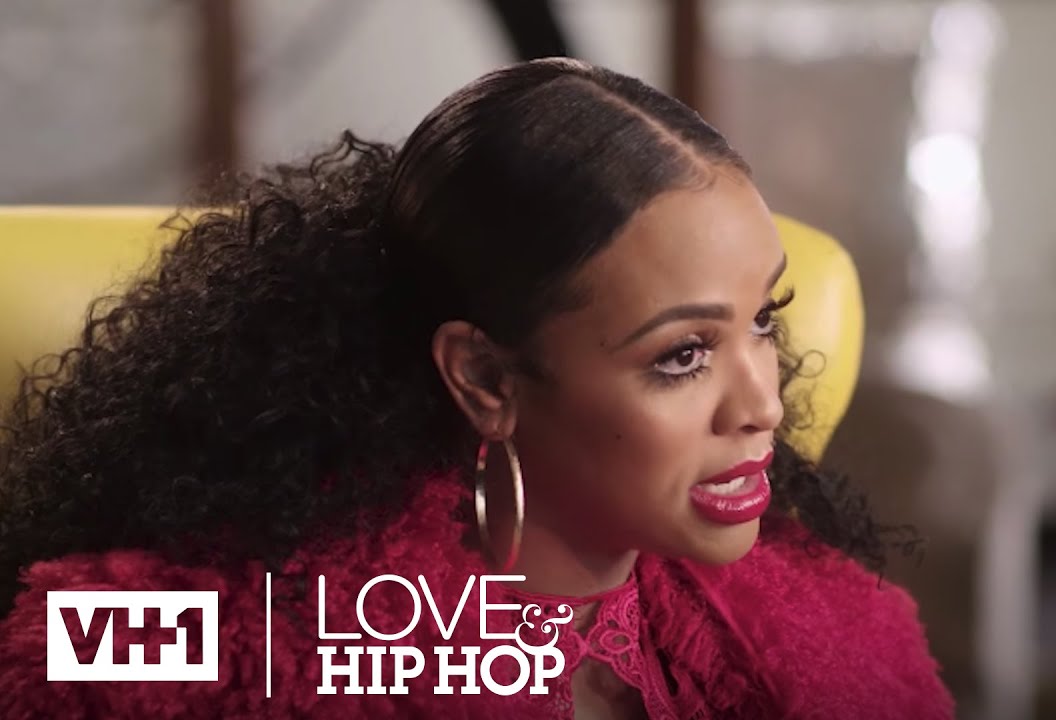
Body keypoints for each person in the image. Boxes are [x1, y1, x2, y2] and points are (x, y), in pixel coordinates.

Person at [0, 58, 953, 719]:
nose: (763, 405)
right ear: (485, 377)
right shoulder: (237, 637)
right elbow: (62, 654)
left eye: (763, 320)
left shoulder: (841, 639)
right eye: (681, 356)